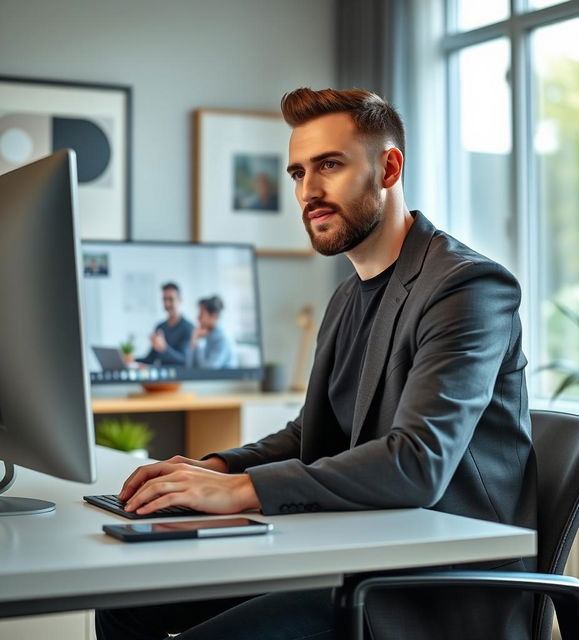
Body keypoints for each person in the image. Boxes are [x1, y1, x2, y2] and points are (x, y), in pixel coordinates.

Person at [96, 88, 536, 640]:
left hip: (431, 585)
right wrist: (218, 467)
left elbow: (418, 463)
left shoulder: (466, 286)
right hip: (350, 551)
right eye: (298, 173)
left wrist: (239, 493)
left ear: (389, 167)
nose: (309, 191)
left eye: (329, 165)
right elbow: (314, 430)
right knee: (123, 603)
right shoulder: (349, 294)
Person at [137, 282, 194, 366]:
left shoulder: (189, 328)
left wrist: (164, 348)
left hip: (180, 377)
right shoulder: (160, 327)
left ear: (180, 300)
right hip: (162, 376)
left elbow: (184, 360)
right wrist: (131, 359)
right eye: (164, 299)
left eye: (171, 299)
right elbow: (150, 359)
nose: (167, 304)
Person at [186, 295, 238, 369]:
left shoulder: (222, 339)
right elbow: (189, 367)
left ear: (213, 315)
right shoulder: (207, 336)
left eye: (201, 314)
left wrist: (199, 343)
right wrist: (194, 341)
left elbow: (208, 371)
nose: (198, 318)